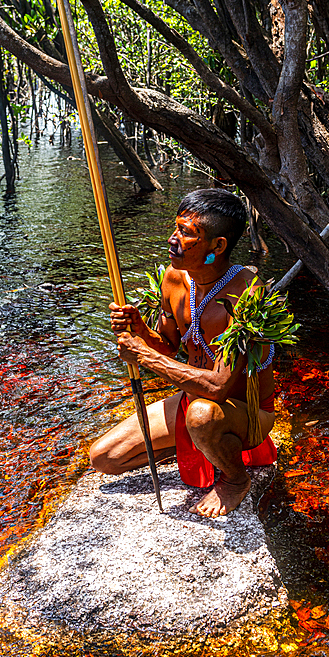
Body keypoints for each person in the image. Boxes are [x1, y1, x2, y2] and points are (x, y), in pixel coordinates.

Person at [89, 189, 277, 517]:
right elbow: (168, 347)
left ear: (218, 246)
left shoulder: (247, 292)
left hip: (244, 413)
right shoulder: (174, 279)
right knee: (104, 459)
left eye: (187, 234)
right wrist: (140, 331)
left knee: (202, 416)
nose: (173, 240)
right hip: (192, 403)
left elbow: (218, 386)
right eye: (175, 228)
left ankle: (235, 479)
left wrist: (144, 357)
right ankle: (200, 446)